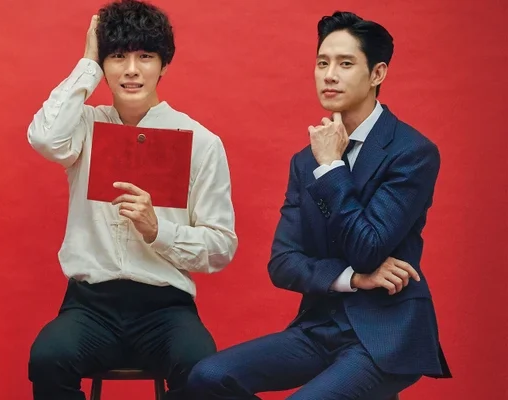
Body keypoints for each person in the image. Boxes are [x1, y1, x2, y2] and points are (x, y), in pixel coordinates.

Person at [187, 11, 451, 399]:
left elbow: (368, 247)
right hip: (318, 328)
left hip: (384, 336)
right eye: (322, 63)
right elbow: (283, 263)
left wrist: (330, 168)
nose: (329, 75)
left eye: (345, 64)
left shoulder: (412, 152)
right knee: (208, 376)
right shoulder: (304, 160)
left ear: (377, 74)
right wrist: (352, 278)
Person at [26, 1, 238, 399]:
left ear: (164, 65)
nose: (131, 70)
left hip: (166, 307)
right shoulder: (84, 126)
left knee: (202, 369)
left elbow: (221, 246)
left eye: (145, 57)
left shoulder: (201, 141)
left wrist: (159, 231)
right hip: (90, 306)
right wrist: (87, 62)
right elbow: (44, 138)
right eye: (118, 56)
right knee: (47, 358)